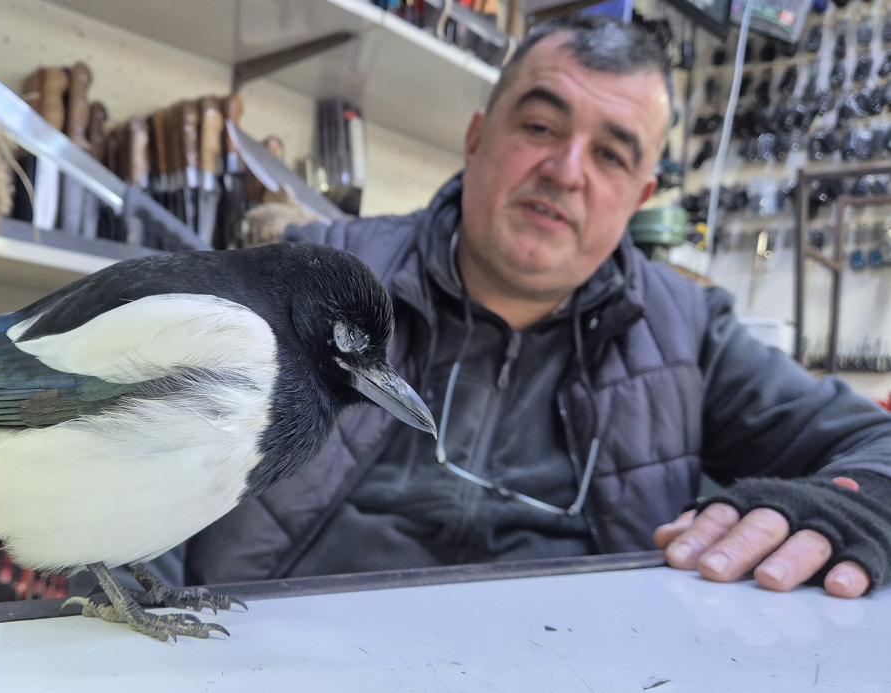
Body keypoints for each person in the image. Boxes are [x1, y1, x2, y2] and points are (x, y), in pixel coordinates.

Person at [171, 14, 891, 597]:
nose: (566, 172)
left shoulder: (691, 332)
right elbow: (142, 442)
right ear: (478, 137)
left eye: (611, 155)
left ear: (641, 196)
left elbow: (877, 448)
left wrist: (852, 504)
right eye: (541, 128)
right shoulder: (309, 279)